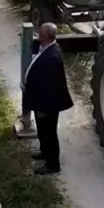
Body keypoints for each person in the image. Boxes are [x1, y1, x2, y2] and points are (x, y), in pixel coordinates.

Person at [22, 23, 73, 175]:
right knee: (43, 130)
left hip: (48, 104)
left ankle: (53, 165)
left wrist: (43, 108)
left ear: (45, 36)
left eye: (40, 33)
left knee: (49, 133)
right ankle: (44, 152)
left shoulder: (52, 57)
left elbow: (50, 87)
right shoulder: (47, 48)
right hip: (41, 101)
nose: (38, 34)